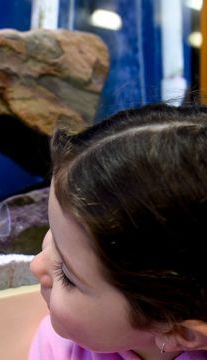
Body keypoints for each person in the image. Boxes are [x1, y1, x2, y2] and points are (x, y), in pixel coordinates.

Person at [28, 104, 207, 360]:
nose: (37, 264)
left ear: (183, 333)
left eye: (67, 275)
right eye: (53, 236)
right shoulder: (60, 350)